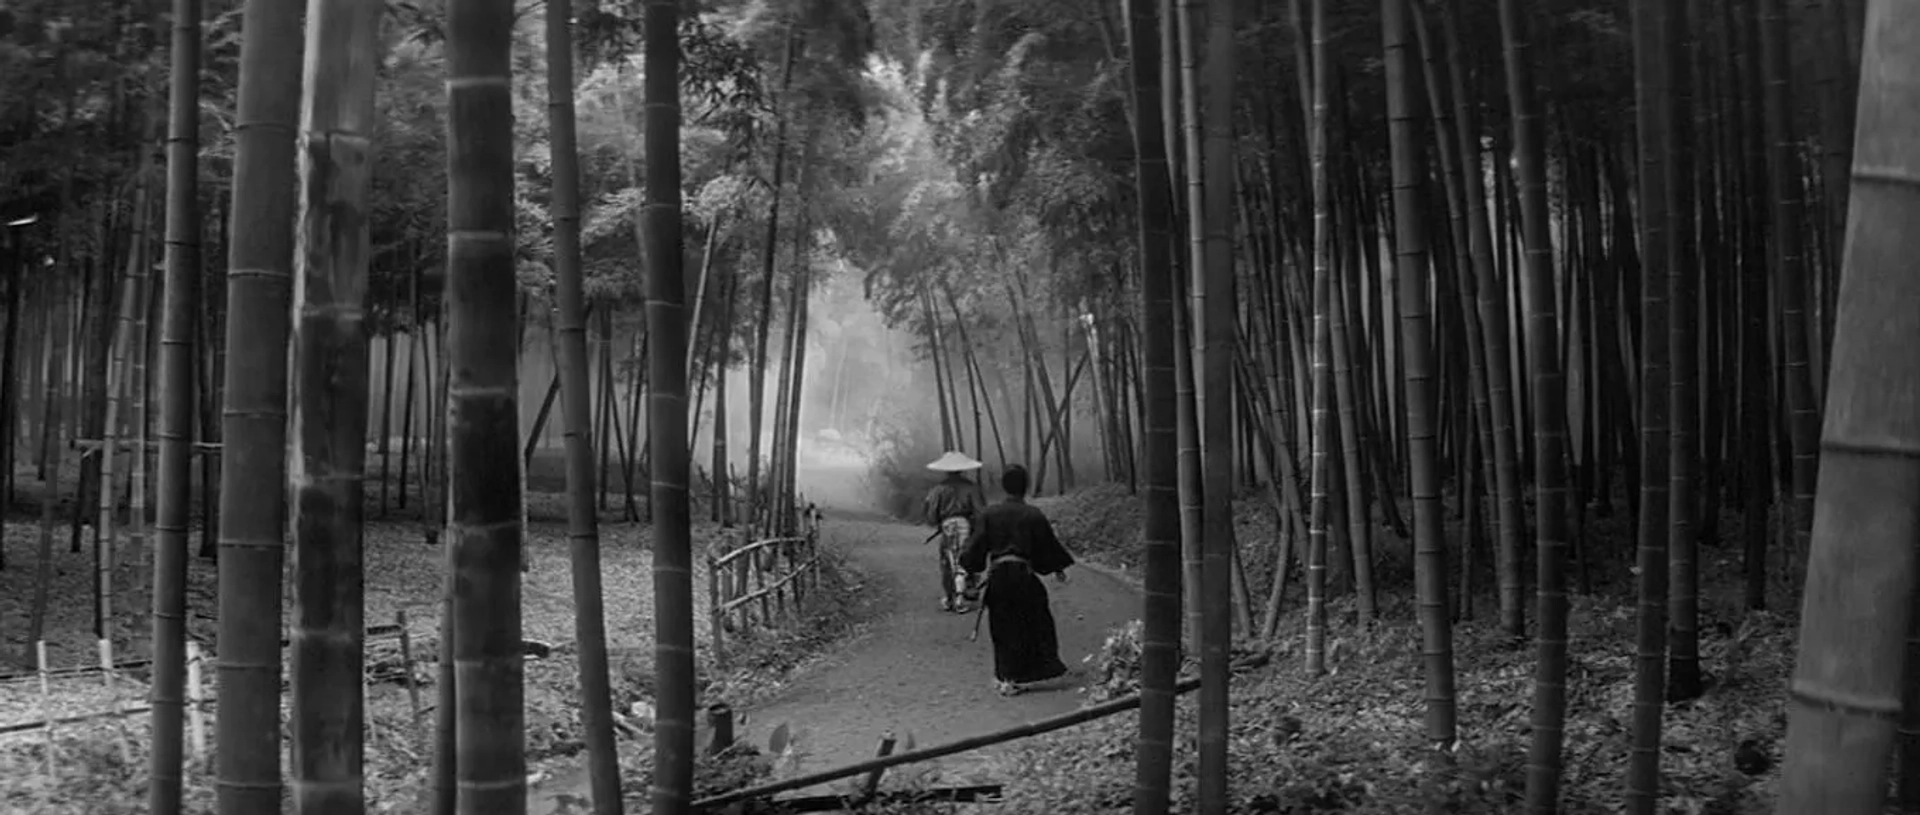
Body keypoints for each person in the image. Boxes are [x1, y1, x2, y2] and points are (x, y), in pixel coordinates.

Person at [960, 464, 1075, 696]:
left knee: (1002, 626)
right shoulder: (1033, 515)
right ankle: (1036, 671)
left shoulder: (989, 515)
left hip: (999, 576)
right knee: (1034, 622)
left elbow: (975, 548)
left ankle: (1006, 677)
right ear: (1026, 486)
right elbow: (1047, 546)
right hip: (1025, 575)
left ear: (1004, 486)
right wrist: (1058, 568)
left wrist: (969, 568)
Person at [922, 450, 988, 613]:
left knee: (947, 561)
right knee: (962, 558)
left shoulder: (938, 490)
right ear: (962, 469)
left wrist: (938, 523)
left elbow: (930, 513)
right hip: (965, 524)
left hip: (946, 525)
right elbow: (980, 511)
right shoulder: (971, 488)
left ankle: (952, 597)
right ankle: (959, 598)